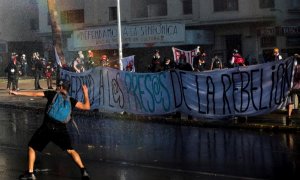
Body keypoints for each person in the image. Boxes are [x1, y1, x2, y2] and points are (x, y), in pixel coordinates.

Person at [10, 79, 91, 180]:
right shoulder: (71, 100)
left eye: (58, 86)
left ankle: (30, 173)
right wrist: (85, 93)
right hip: (61, 129)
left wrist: (17, 92)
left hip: (47, 127)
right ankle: (84, 171)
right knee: (70, 150)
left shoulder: (52, 94)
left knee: (32, 147)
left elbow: (34, 94)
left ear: (61, 87)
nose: (57, 87)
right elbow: (87, 107)